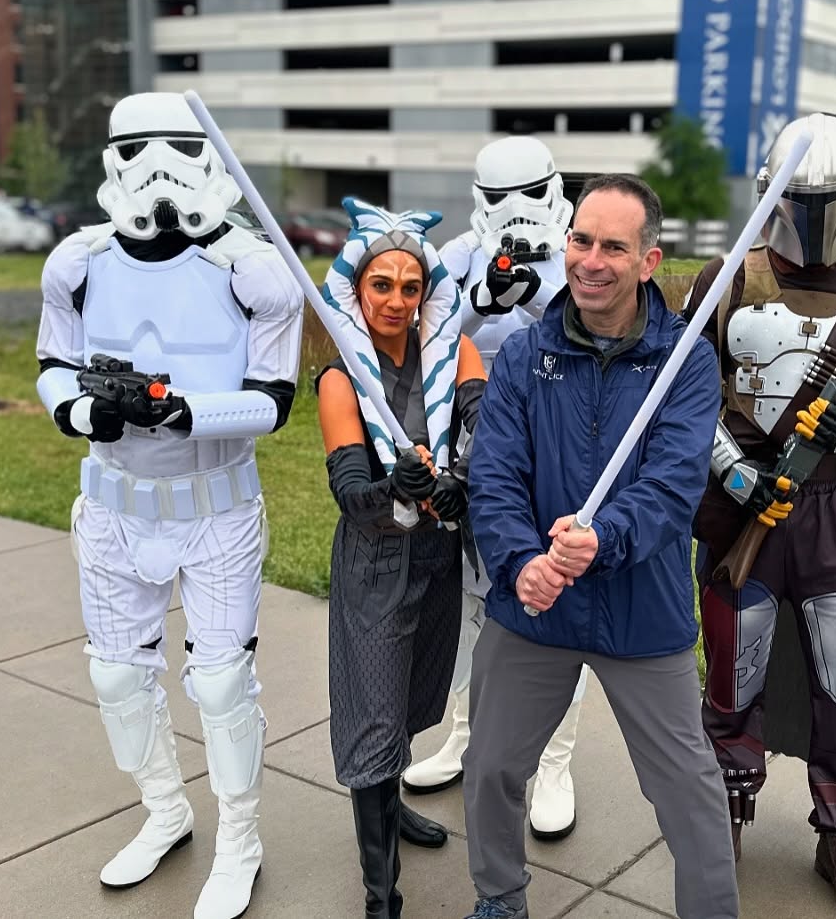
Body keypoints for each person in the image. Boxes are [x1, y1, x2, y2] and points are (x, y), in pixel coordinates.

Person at [34, 92, 304, 919]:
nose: (158, 173)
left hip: (215, 506)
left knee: (221, 685)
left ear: (206, 155)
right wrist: (88, 413)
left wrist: (187, 411)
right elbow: (51, 365)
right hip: (115, 504)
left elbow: (273, 398)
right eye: (139, 151)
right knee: (116, 672)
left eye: (175, 150)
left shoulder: (253, 270)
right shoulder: (76, 263)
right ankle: (164, 811)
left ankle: (241, 839)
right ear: (114, 160)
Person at [461, 174, 739, 919]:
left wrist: (601, 540)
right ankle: (499, 898)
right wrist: (522, 566)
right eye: (580, 239)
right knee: (489, 766)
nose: (590, 259)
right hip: (535, 606)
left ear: (648, 261)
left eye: (613, 246)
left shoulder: (686, 362)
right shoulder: (523, 356)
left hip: (641, 608)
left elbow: (673, 487)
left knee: (689, 788)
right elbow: (493, 479)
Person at [684, 113, 836, 919]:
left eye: (830, 199)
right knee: (732, 665)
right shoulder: (723, 281)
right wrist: (732, 468)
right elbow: (684, 401)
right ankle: (724, 807)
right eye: (803, 199)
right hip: (743, 503)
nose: (816, 217)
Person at [401, 135, 587, 842]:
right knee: (476, 604)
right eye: (499, 200)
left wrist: (539, 299)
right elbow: (426, 336)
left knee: (557, 604)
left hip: (563, 451)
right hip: (478, 454)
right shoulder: (457, 258)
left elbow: (596, 332)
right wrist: (480, 301)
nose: (515, 215)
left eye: (527, 197)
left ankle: (555, 763)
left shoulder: (579, 251)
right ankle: (465, 733)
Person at [315, 198, 487, 919]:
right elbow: (352, 492)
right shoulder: (338, 377)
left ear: (428, 292)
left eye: (409, 285)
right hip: (377, 563)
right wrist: (396, 486)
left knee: (415, 695)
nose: (395, 299)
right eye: (379, 284)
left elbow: (485, 443)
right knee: (374, 715)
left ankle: (392, 803)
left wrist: (456, 485)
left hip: (438, 559)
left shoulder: (459, 352)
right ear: (355, 289)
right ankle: (380, 891)